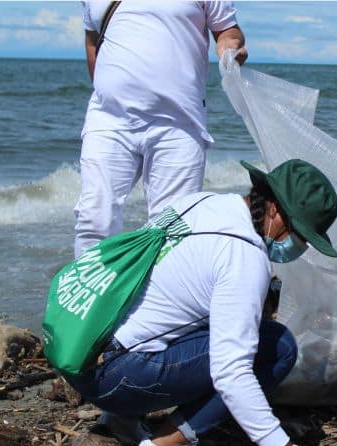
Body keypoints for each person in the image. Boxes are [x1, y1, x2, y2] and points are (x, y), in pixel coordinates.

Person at [65, 159, 337, 446]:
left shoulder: (203, 203)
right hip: (116, 375)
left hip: (86, 350)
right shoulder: (243, 255)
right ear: (275, 214)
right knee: (278, 348)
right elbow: (231, 372)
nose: (302, 247)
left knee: (237, 333)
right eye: (301, 235)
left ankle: (122, 418)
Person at [74, 2, 249, 257]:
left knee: (170, 232)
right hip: (109, 118)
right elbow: (92, 39)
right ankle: (89, 295)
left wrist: (229, 49)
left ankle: (156, 297)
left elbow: (228, 32)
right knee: (93, 219)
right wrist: (107, 88)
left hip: (179, 123)